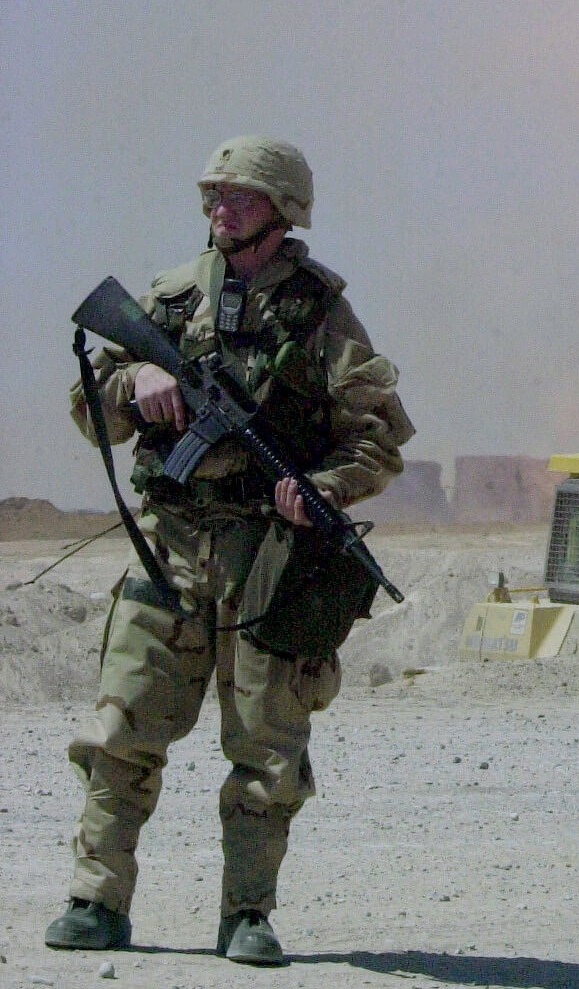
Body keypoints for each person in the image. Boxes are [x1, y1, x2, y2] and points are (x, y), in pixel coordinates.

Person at [45, 137, 414, 966]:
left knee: (265, 753)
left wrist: (323, 487)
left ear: (283, 212)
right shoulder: (169, 302)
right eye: (213, 196)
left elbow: (378, 439)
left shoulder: (322, 316)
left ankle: (246, 914)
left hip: (267, 558)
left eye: (240, 198)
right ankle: (94, 898)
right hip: (169, 548)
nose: (220, 209)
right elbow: (90, 406)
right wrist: (133, 385)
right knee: (120, 734)